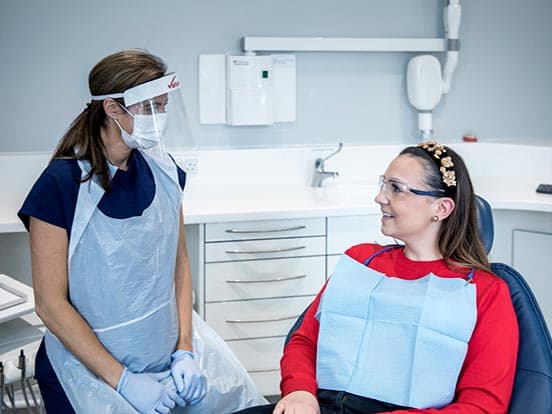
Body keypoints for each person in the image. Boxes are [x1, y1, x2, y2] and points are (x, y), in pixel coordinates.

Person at [234, 141, 519, 414]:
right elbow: (304, 341)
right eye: (384, 184)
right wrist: (300, 392)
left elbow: (482, 407)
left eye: (396, 189)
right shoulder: (361, 260)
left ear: (441, 208)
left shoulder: (485, 291)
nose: (380, 197)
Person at [18, 50, 206, 413]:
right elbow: (50, 304)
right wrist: (122, 379)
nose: (160, 119)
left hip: (163, 358)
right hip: (87, 369)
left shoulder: (165, 173)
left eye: (164, 107)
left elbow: (179, 264)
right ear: (112, 108)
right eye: (150, 108)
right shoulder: (61, 183)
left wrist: (185, 349)